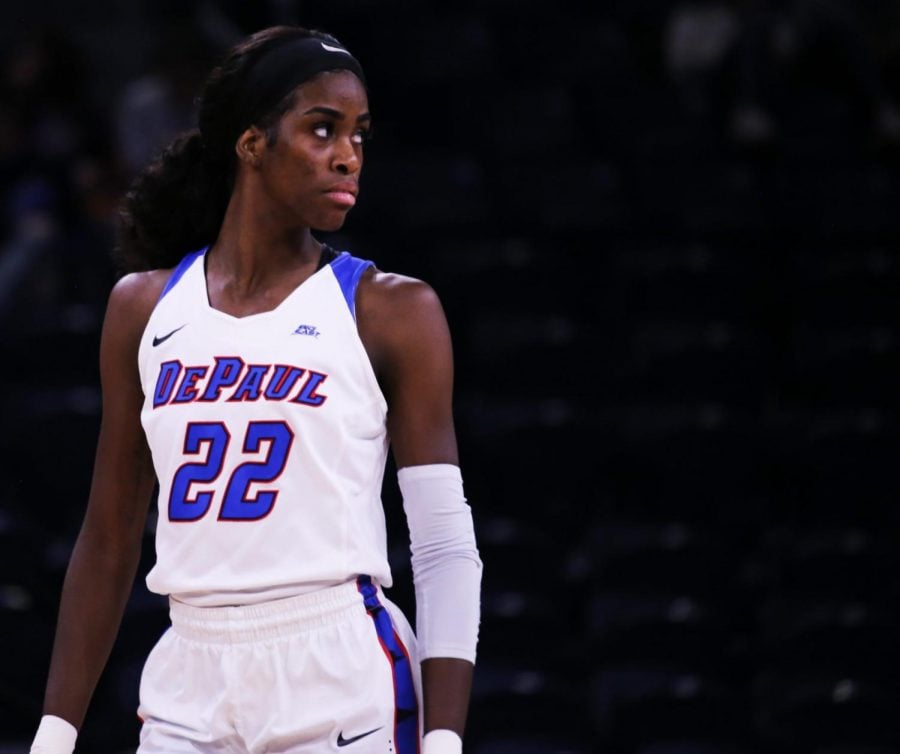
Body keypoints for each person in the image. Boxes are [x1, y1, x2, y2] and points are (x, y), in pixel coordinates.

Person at [30, 26, 482, 754]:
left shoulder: (392, 310)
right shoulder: (143, 308)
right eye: (322, 128)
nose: (348, 154)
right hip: (190, 675)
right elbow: (110, 536)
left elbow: (443, 545)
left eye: (360, 135)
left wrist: (445, 739)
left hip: (339, 667)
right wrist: (54, 736)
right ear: (251, 144)